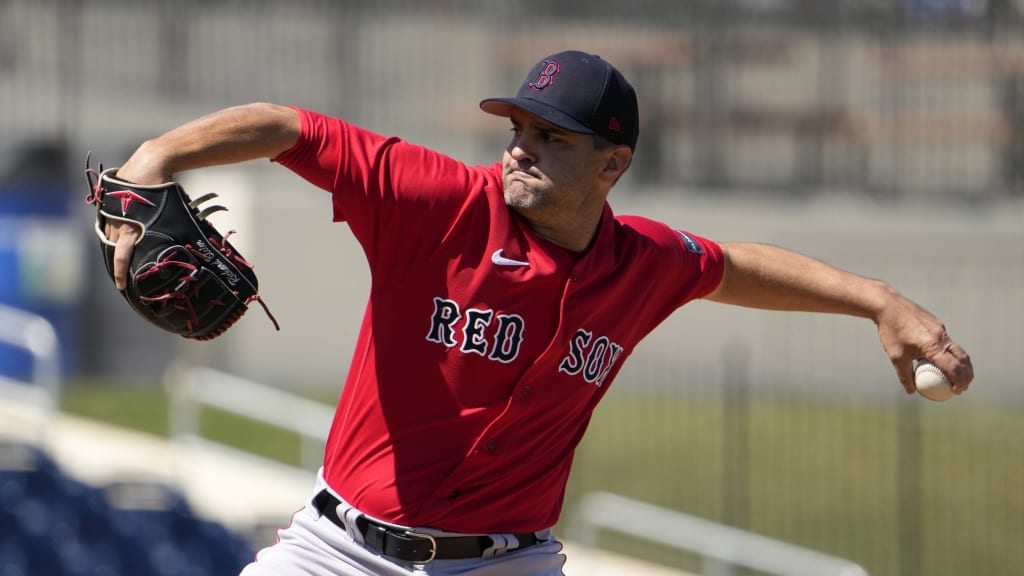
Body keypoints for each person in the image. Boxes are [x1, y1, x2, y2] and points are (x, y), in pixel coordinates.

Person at [102, 50, 973, 575]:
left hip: (505, 561)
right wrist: (157, 156)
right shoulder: (435, 201)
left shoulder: (644, 264)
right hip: (341, 550)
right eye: (519, 125)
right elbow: (293, 128)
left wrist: (881, 304)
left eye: (552, 136)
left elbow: (738, 265)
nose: (522, 145)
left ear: (612, 163)